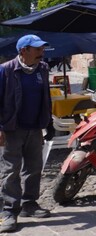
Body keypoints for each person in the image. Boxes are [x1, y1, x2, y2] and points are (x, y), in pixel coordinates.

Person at [0, 34, 55, 233]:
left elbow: (46, 97)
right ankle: (9, 211)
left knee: (33, 168)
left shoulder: (43, 69)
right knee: (10, 171)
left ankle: (29, 204)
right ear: (24, 51)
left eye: (42, 49)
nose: (42, 53)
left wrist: (49, 122)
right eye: (38, 49)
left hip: (35, 127)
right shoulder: (5, 70)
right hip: (12, 128)